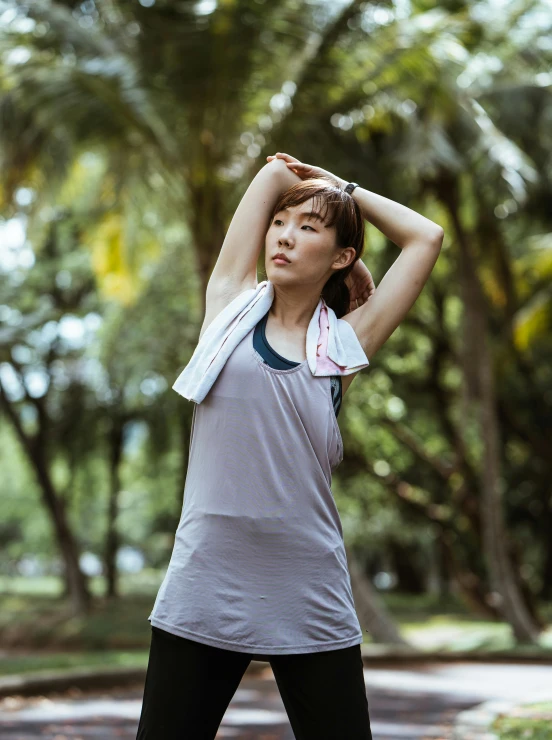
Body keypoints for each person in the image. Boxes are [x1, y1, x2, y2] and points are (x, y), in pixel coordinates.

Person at [136, 152, 444, 739]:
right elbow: (274, 173)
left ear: (341, 256)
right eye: (280, 224)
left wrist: (342, 189)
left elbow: (426, 238)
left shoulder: (344, 345)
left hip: (306, 587)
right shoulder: (228, 308)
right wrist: (308, 188)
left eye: (308, 229)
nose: (283, 237)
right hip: (205, 582)